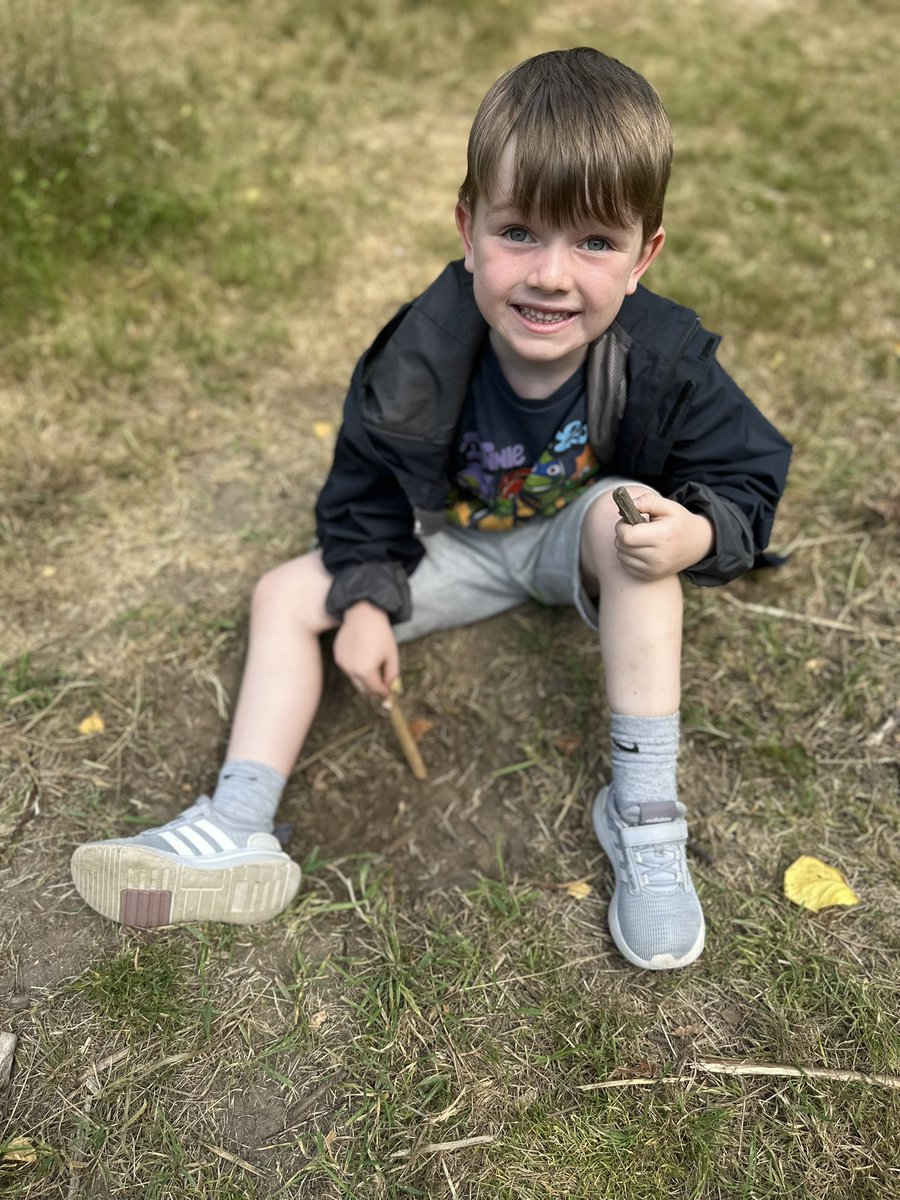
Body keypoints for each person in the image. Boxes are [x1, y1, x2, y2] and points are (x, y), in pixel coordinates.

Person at [71, 47, 791, 969]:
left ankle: (645, 818)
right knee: (284, 594)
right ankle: (236, 822)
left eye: (595, 244)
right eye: (520, 232)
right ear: (467, 228)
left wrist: (696, 534)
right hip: (457, 542)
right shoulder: (424, 345)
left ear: (645, 255)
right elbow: (364, 480)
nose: (552, 276)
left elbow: (745, 474)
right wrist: (367, 597)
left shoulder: (666, 354)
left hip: (579, 537)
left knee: (637, 517)